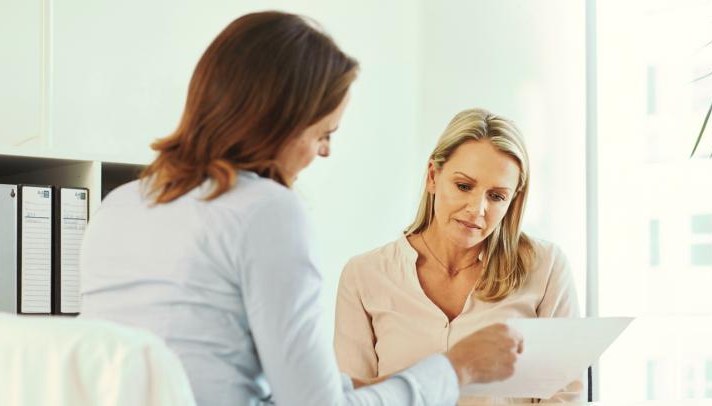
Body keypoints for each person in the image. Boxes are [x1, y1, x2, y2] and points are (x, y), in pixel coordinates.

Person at [78, 12, 524, 406]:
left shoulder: (120, 205)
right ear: (279, 122)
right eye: (322, 133)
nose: (324, 152)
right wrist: (456, 369)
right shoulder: (267, 211)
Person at [334, 108, 584, 404]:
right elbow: (348, 398)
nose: (477, 209)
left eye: (496, 196)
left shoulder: (546, 267)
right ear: (432, 177)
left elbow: (566, 396)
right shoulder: (365, 275)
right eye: (463, 186)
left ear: (512, 201)